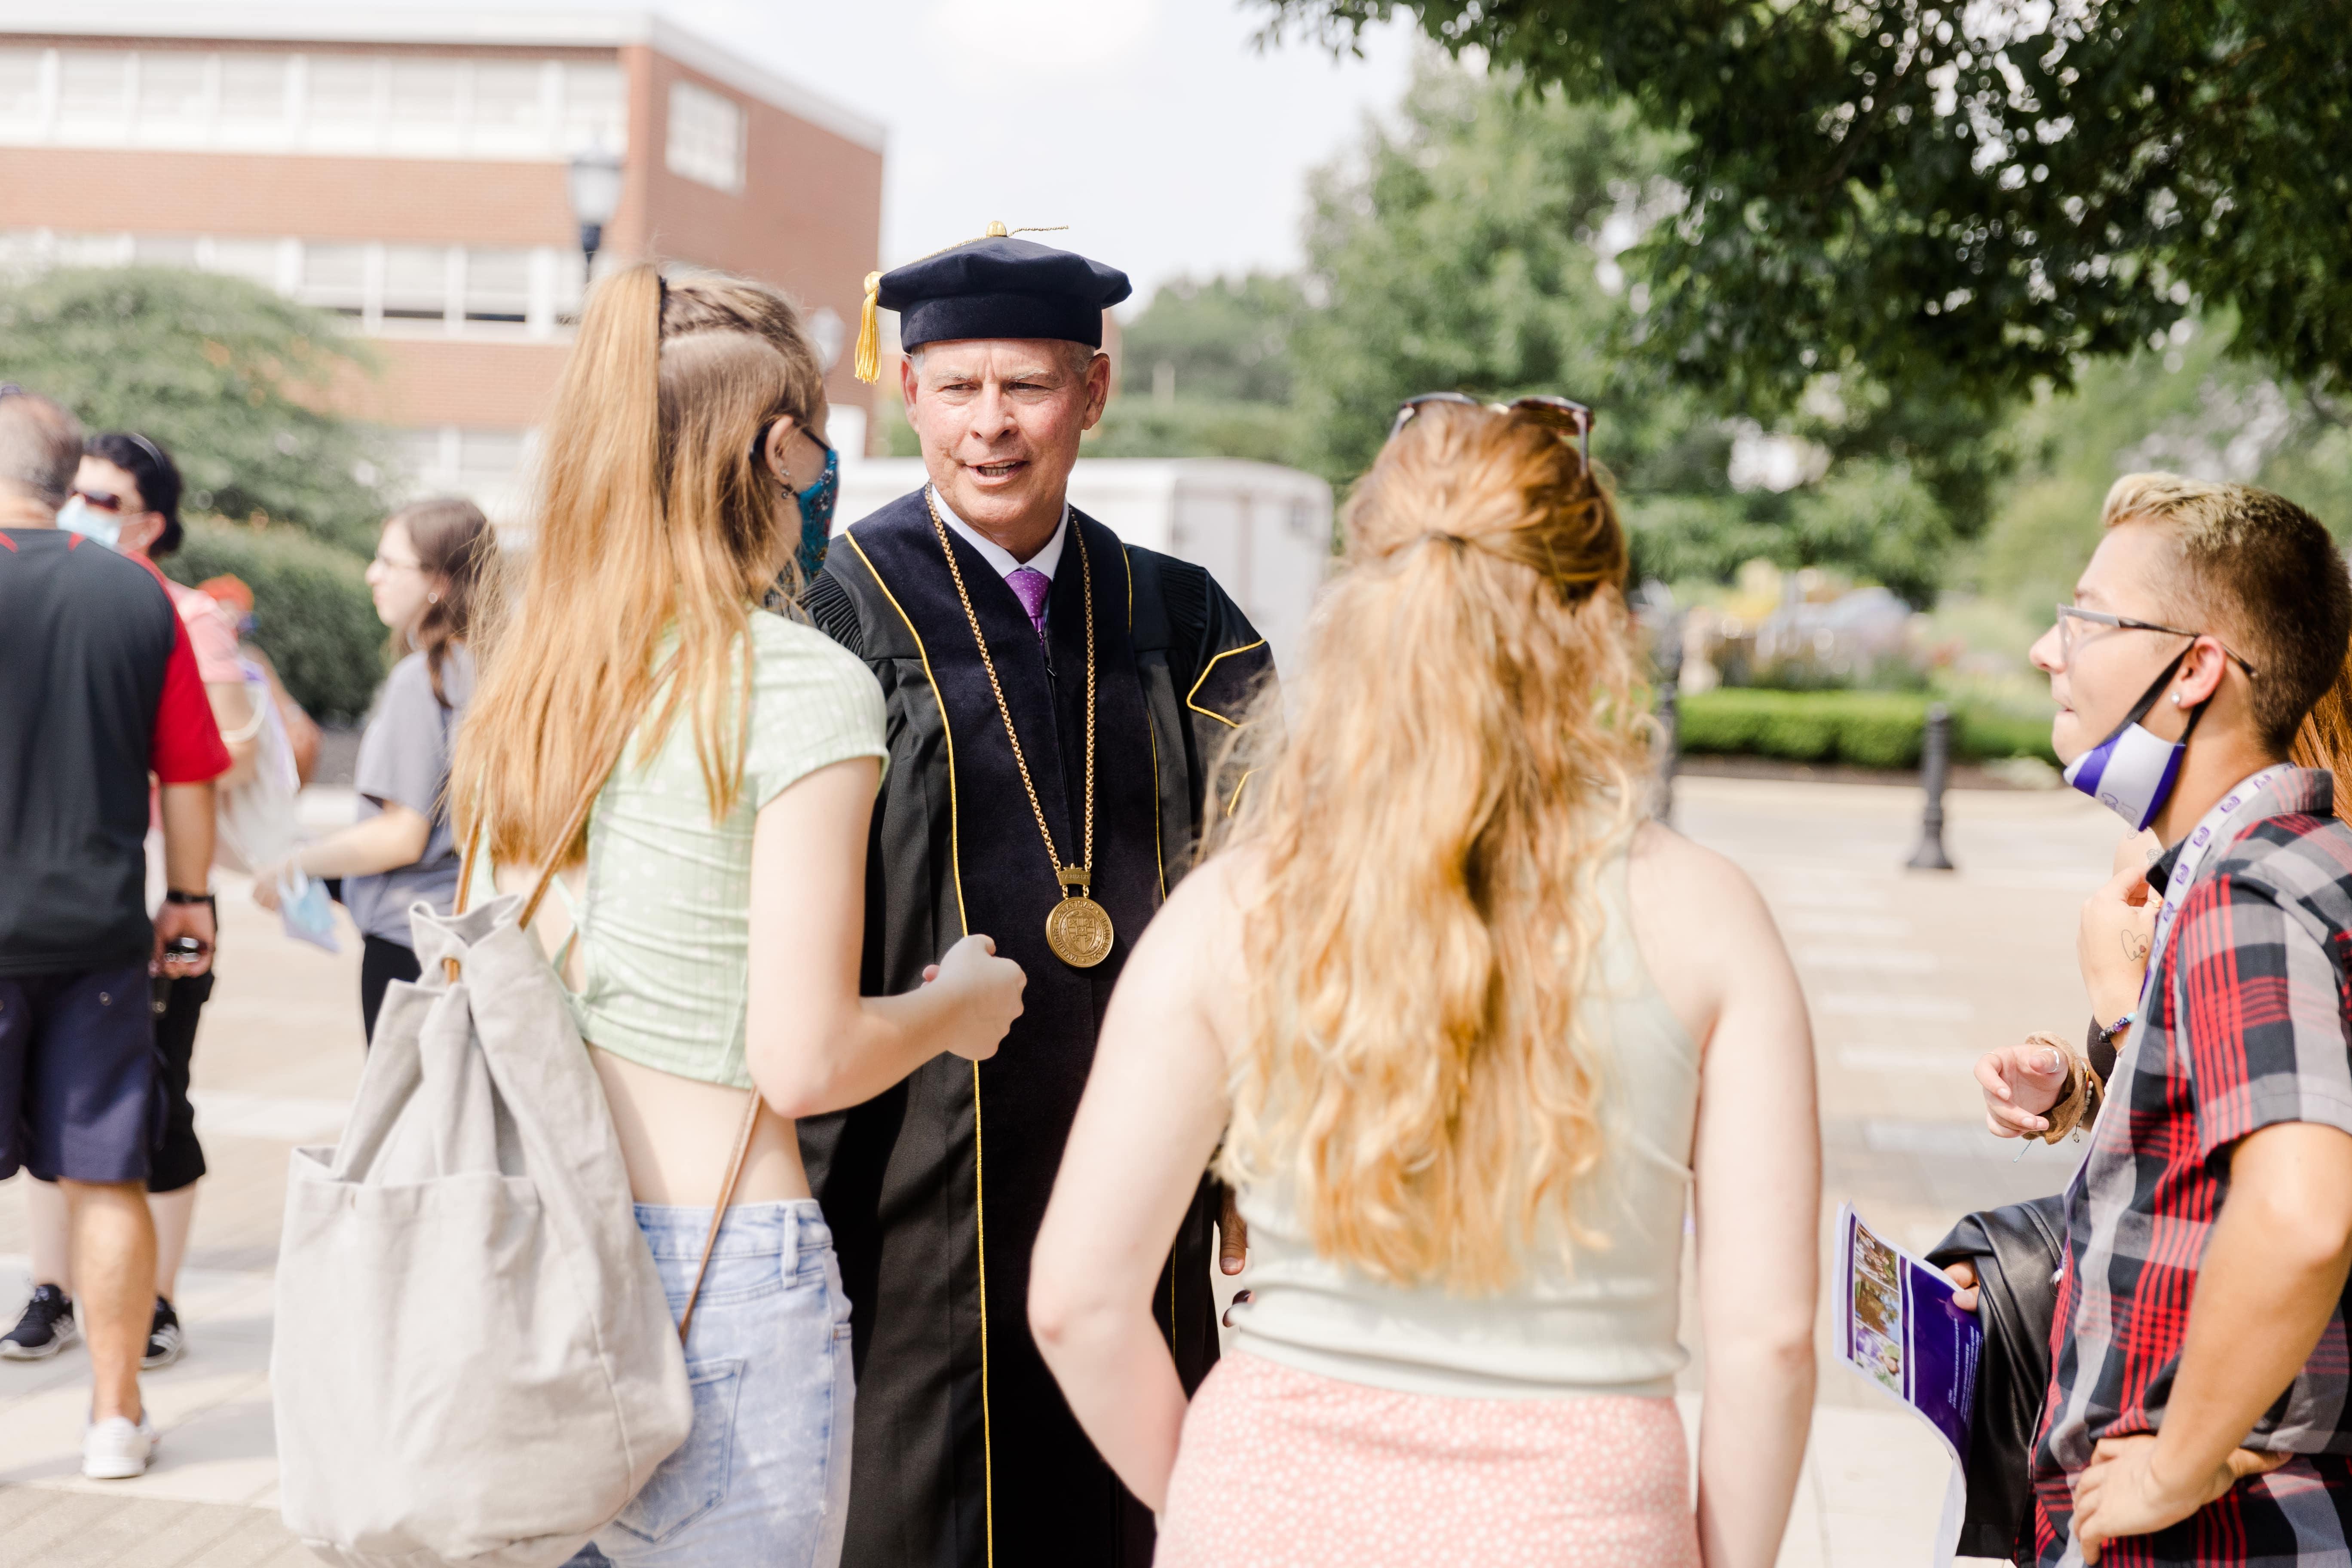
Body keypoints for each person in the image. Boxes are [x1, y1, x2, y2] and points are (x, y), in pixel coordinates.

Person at [1026, 394, 1822, 1566]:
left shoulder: (1234, 911)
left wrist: (1208, 1496)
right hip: (1580, 1528)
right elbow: (1773, 1341)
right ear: (1600, 619)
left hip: (1267, 1517)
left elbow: (1078, 1303)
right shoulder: (1704, 917)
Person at [449, 262, 1024, 1565]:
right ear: (776, 449)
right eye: (818, 436)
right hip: (721, 1266)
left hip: (530, 1242)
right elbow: (805, 1057)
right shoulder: (799, 682)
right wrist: (960, 1007)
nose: (828, 465)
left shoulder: (532, 675)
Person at [797, 225, 1277, 1568]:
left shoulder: (1183, 623)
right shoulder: (828, 611)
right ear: (909, 395)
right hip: (899, 1185)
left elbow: (1278, 888)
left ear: (1095, 390)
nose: (991, 426)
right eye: (959, 389)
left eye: (1028, 387)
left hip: (1147, 1168)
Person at [1963, 474, 2352, 1566]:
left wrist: (2178, 1459)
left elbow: (2300, 1216)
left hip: (2211, 1533)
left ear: (2193, 669)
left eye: (2085, 620)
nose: (2049, 649)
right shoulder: (2292, 869)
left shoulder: (2248, 893)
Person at [0, 387, 230, 1479]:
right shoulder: (134, 597)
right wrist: (190, 900)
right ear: (65, 484)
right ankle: (111, 1419)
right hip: (96, 935)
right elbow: (187, 773)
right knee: (106, 1180)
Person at [251, 497, 490, 1042]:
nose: (372, 574)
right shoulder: (496, 667)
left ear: (441, 581)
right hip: (472, 934)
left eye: (389, 563)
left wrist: (295, 864)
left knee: (403, 1123)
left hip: (409, 942)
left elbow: (405, 835)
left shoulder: (424, 679)